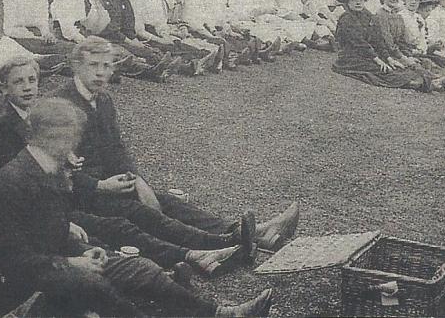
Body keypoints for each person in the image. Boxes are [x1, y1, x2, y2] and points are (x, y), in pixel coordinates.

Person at [0, 97, 274, 317]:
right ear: (52, 138)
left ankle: (221, 314)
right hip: (11, 283)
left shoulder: (49, 168)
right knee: (91, 282)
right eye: (71, 140)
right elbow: (9, 257)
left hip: (51, 258)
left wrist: (78, 245)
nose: (74, 148)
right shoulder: (12, 182)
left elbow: (45, 229)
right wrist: (72, 262)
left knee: (139, 267)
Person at [0, 58, 247, 277]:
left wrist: (69, 161)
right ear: (4, 87)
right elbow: (5, 186)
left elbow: (101, 150)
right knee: (120, 225)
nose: (28, 87)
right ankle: (193, 255)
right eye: (18, 82)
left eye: (32, 80)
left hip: (57, 199)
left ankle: (218, 241)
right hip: (29, 215)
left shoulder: (40, 112)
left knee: (153, 202)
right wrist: (75, 202)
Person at [49, 38, 300, 251]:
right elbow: (54, 169)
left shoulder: (103, 99)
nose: (101, 72)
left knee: (166, 202)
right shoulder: (59, 105)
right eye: (93, 65)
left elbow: (116, 148)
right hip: (78, 195)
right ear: (76, 66)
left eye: (106, 65)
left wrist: (137, 180)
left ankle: (240, 231)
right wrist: (100, 186)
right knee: (141, 212)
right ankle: (226, 243)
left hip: (109, 183)